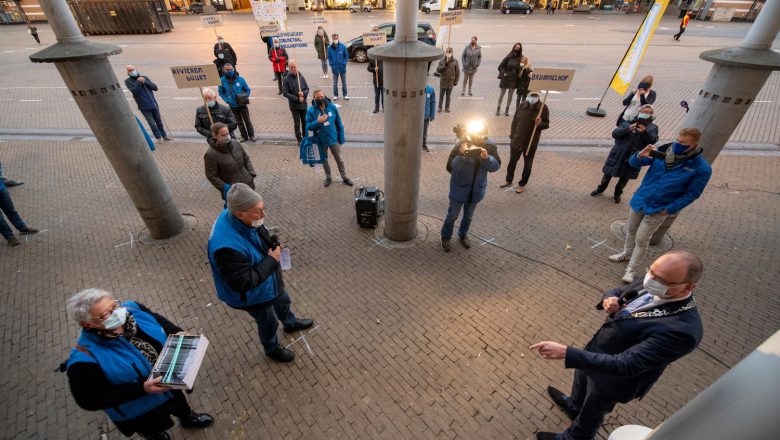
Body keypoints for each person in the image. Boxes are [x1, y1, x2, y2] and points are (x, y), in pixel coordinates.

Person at [530, 250, 705, 440]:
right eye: (651, 271)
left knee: (591, 415)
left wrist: (568, 353)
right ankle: (573, 405)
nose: (650, 279)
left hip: (613, 380)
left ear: (688, 287)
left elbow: (627, 364)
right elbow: (618, 291)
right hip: (593, 353)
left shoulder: (683, 331)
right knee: (580, 386)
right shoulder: (656, 281)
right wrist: (609, 299)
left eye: (661, 279)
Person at [65, 288, 214, 440]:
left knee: (179, 402)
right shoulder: (83, 361)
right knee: (152, 426)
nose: (115, 314)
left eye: (114, 306)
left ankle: (187, 418)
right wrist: (142, 389)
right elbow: (89, 401)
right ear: (87, 324)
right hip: (142, 406)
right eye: (104, 315)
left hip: (169, 379)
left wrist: (177, 332)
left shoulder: (133, 308)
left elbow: (158, 320)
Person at [208, 184, 315, 363]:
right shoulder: (225, 247)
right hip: (252, 295)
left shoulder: (243, 217)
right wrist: (272, 260)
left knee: (282, 300)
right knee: (268, 321)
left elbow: (257, 231)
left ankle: (290, 323)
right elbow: (243, 282)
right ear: (238, 214)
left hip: (268, 280)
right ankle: (271, 348)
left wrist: (270, 244)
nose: (263, 216)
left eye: (262, 209)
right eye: (257, 212)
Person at [608, 128, 712, 283]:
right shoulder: (664, 152)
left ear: (693, 144)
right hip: (641, 200)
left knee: (642, 239)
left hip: (660, 208)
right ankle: (626, 253)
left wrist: (669, 209)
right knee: (631, 230)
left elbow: (692, 194)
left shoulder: (701, 168)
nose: (677, 144)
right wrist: (639, 155)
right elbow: (633, 163)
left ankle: (631, 269)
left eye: (682, 143)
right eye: (677, 140)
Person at [440, 121, 501, 252]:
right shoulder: (462, 144)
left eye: (482, 134)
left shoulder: (490, 146)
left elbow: (495, 166)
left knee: (468, 216)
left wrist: (487, 158)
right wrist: (462, 156)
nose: (480, 137)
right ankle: (445, 237)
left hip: (476, 190)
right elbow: (451, 167)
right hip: (459, 190)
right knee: (452, 216)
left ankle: (463, 234)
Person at [591, 104, 658, 203]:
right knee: (608, 173)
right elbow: (615, 134)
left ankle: (617, 194)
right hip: (619, 153)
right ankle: (600, 188)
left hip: (633, 156)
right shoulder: (628, 122)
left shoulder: (653, 127)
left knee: (625, 177)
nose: (645, 114)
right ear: (639, 112)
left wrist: (644, 132)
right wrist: (629, 129)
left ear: (651, 114)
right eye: (644, 112)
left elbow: (652, 140)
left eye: (648, 113)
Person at [501, 91, 549, 193]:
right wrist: (512, 136)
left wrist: (540, 123)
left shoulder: (543, 108)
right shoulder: (522, 105)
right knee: (512, 162)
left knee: (528, 164)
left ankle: (522, 184)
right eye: (532, 95)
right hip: (517, 140)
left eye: (536, 95)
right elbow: (515, 121)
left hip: (530, 142)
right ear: (528, 95)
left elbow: (546, 124)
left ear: (539, 97)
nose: (533, 97)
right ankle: (508, 180)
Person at [306, 89, 352, 187]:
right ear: (314, 98)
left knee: (339, 159)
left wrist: (341, 138)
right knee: (324, 159)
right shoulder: (311, 110)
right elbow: (308, 126)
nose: (320, 99)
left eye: (321, 97)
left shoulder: (332, 107)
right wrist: (317, 122)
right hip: (321, 140)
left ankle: (344, 177)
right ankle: (328, 177)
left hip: (333, 138)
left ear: (325, 96)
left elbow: (338, 123)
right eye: (318, 98)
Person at [204, 123, 256, 203]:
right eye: (223, 135)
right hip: (234, 192)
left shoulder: (236, 143)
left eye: (227, 134)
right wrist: (227, 188)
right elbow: (212, 176)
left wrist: (251, 173)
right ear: (215, 136)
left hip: (249, 185)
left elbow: (246, 159)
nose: (227, 137)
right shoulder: (211, 154)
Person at [125, 65, 172, 142]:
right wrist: (138, 82)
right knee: (152, 123)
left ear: (136, 69)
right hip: (143, 106)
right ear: (127, 72)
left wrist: (144, 81)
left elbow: (155, 88)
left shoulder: (144, 77)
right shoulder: (128, 81)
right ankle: (158, 137)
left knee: (159, 121)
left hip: (153, 104)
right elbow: (135, 91)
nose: (132, 71)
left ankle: (164, 135)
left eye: (132, 69)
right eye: (129, 70)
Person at [0, 162, 37, 247]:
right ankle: (9, 236)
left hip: (1, 188)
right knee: (0, 219)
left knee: (10, 209)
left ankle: (22, 227)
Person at [218, 63, 256, 142]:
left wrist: (245, 97)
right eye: (227, 70)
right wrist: (227, 100)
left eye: (231, 69)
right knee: (239, 122)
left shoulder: (240, 79)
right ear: (224, 71)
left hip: (242, 104)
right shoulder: (222, 80)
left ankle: (251, 135)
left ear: (234, 69)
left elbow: (247, 89)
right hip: (233, 105)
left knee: (247, 120)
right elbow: (221, 92)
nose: (230, 71)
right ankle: (244, 136)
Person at [282, 60, 310, 144]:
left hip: (303, 104)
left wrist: (303, 94)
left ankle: (306, 136)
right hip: (294, 106)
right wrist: (297, 98)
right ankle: (299, 138)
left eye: (295, 67)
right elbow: (285, 93)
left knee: (305, 121)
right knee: (297, 123)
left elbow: (307, 89)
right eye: (292, 67)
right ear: (289, 68)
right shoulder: (286, 79)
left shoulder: (301, 77)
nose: (294, 69)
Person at [497, 43, 523, 116]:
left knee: (510, 95)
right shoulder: (508, 57)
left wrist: (522, 67)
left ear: (520, 49)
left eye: (518, 48)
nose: (517, 48)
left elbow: (521, 69)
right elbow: (500, 67)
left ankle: (507, 109)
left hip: (514, 79)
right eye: (516, 47)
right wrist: (504, 73)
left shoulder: (521, 58)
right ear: (513, 47)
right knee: (502, 94)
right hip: (506, 78)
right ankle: (498, 108)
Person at [436, 47, 460, 113]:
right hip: (443, 82)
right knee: (441, 96)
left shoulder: (455, 61)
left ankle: (447, 108)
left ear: (452, 53)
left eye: (449, 52)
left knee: (448, 97)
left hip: (450, 82)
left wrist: (456, 81)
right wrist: (444, 66)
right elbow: (438, 70)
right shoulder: (442, 61)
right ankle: (439, 107)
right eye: (447, 52)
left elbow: (457, 72)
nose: (448, 54)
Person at [328, 33, 349, 100]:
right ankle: (335, 95)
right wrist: (331, 64)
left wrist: (344, 63)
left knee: (344, 83)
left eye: (336, 38)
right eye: (334, 38)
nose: (335, 39)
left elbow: (346, 56)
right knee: (334, 83)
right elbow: (329, 57)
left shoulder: (343, 46)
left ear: (338, 38)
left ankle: (345, 94)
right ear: (332, 38)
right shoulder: (330, 48)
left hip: (342, 67)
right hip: (334, 68)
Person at [423, 83, 436, 152]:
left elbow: (433, 102)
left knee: (424, 132)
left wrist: (432, 115)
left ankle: (423, 144)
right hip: (416, 117)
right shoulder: (415, 88)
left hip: (426, 116)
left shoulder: (430, 89)